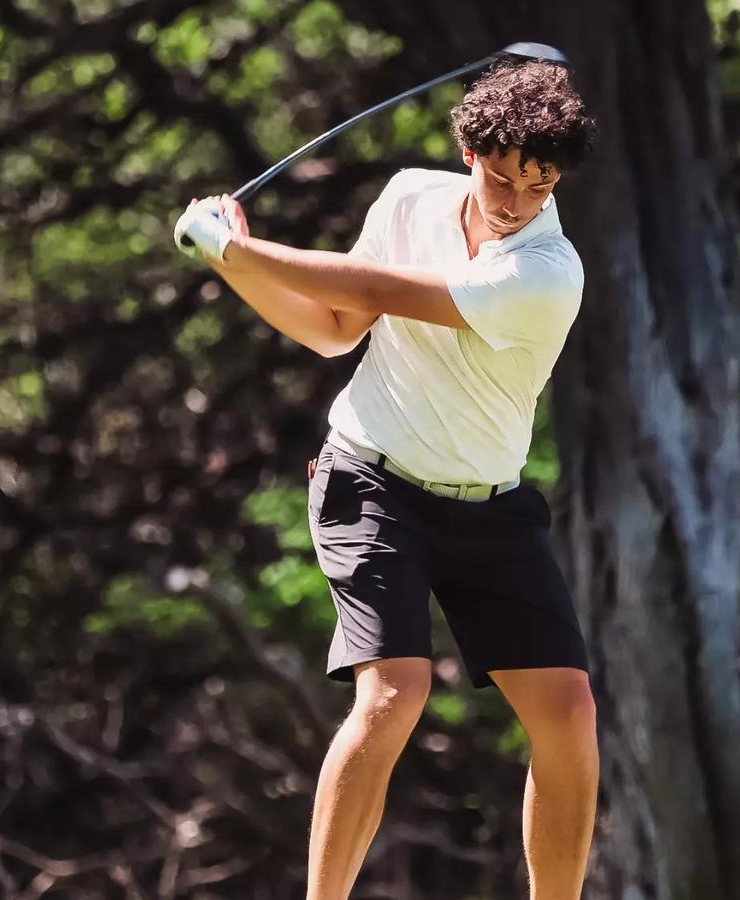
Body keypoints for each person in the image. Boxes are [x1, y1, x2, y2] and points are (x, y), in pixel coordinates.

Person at [174, 60, 599, 900]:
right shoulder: (407, 197)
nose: (518, 201)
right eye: (504, 175)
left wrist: (243, 247)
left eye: (540, 184)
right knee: (393, 697)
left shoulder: (548, 272)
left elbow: (378, 288)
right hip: (372, 481)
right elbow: (336, 330)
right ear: (468, 149)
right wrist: (236, 265)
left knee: (569, 716)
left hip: (490, 508)